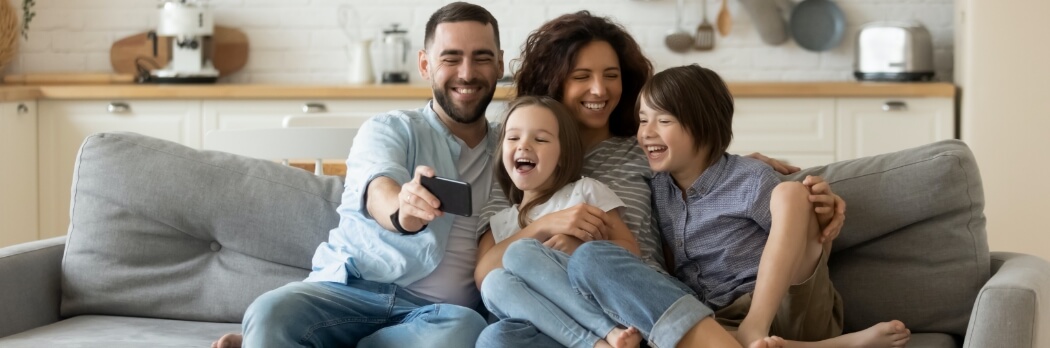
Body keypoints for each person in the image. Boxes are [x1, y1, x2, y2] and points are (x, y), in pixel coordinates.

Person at [474, 11, 843, 347]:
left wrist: (760, 175)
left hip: (642, 302)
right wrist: (548, 223)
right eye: (582, 77)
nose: (600, 90)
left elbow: (699, 163)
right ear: (553, 82)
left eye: (612, 76)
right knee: (497, 339)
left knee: (593, 260)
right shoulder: (517, 164)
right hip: (564, 311)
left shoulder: (643, 151)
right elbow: (487, 275)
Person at [211, 2, 504, 347]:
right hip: (348, 291)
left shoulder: (515, 148)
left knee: (466, 329)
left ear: (499, 64)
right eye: (450, 58)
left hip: (432, 316)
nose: (467, 73)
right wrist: (403, 211)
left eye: (481, 58)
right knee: (270, 311)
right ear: (425, 65)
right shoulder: (390, 129)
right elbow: (379, 189)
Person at [566, 64, 912, 348]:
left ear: (703, 127)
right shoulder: (658, 188)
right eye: (643, 120)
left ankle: (758, 332)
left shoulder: (750, 179)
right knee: (610, 279)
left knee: (792, 195)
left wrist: (816, 208)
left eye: (664, 120)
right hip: (718, 320)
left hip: (786, 305)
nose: (646, 132)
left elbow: (806, 237)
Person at [478, 95, 644, 348]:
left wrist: (579, 249)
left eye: (540, 139)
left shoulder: (583, 193)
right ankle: (596, 345)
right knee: (494, 286)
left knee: (520, 254)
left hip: (593, 313)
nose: (523, 146)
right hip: (541, 330)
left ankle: (607, 333)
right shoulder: (501, 222)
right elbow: (482, 278)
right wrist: (544, 225)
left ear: (563, 155)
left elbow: (631, 252)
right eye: (513, 138)